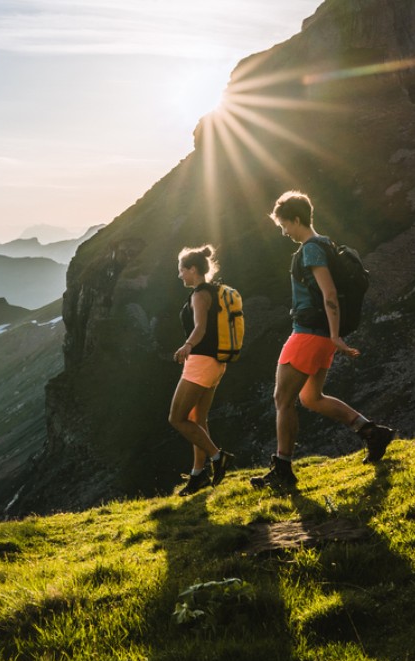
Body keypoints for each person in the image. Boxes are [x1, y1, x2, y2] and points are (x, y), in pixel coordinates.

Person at [251, 190, 395, 492]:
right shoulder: (326, 243)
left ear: (297, 219)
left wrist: (334, 336)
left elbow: (329, 294)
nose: (283, 231)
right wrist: (332, 337)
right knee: (310, 398)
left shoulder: (311, 250)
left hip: (309, 334)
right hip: (320, 335)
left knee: (283, 399)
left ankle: (283, 470)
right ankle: (371, 432)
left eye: (284, 225)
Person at [169, 244, 234, 496]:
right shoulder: (214, 291)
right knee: (198, 420)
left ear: (192, 269)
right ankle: (198, 475)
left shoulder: (199, 295)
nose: (179, 275)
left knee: (176, 418)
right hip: (216, 363)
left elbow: (200, 328)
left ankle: (218, 458)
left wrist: (187, 345)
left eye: (181, 270)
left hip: (201, 362)